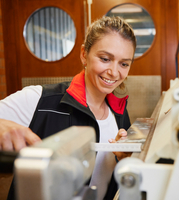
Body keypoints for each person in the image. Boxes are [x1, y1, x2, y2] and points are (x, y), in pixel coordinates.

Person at [0, 16, 136, 200]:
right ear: (83, 54)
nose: (114, 71)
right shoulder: (40, 100)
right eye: (105, 59)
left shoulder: (119, 113)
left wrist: (124, 159)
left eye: (124, 64)